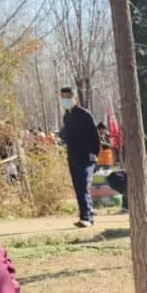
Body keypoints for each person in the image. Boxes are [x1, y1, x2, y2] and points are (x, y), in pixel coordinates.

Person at [59, 86, 101, 227]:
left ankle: (86, 217)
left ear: (74, 97)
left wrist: (95, 154)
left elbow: (95, 136)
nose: (65, 100)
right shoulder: (66, 116)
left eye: (68, 97)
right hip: (73, 156)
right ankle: (88, 214)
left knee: (83, 185)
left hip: (86, 156)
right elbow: (67, 136)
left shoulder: (84, 114)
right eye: (63, 97)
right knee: (78, 187)